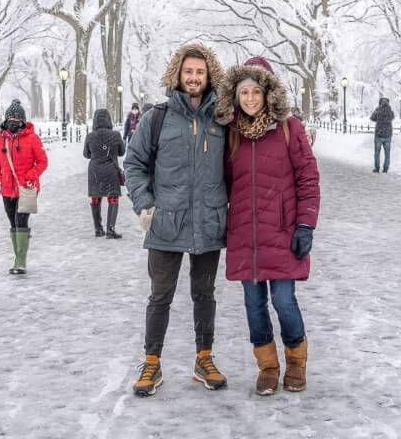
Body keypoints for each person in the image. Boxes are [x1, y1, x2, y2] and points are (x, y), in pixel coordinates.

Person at [123, 42, 229, 397]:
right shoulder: (158, 116)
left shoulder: (223, 119)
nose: (195, 77)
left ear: (208, 74)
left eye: (200, 72)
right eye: (189, 72)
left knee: (205, 294)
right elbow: (134, 163)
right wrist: (144, 203)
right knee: (160, 296)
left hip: (209, 223)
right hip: (166, 222)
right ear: (178, 74)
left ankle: (204, 357)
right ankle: (151, 362)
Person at [215, 57, 320, 396]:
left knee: (284, 300)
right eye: (243, 92)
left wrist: (305, 224)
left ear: (268, 93)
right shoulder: (230, 135)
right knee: (253, 303)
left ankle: (296, 362)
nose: (249, 98)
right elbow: (222, 183)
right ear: (235, 95)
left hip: (283, 231)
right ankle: (267, 367)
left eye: (255, 91)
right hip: (245, 233)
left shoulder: (290, 128)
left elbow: (308, 178)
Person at [0, 100, 49, 275]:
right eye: (10, 120)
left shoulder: (32, 139)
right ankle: (18, 256)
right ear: (6, 121)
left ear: (22, 121)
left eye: (17, 120)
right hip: (6, 189)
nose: (13, 123)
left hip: (28, 188)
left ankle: (20, 261)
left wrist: (31, 176)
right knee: (12, 222)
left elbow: (43, 162)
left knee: (20, 220)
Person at [83, 108, 126, 239]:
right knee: (113, 197)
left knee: (96, 197)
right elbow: (121, 152)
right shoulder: (115, 135)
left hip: (95, 170)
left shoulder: (90, 136)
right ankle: (110, 229)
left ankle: (98, 229)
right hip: (111, 169)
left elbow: (86, 154)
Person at [370, 97, 395, 173]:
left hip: (379, 134)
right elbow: (393, 118)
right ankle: (385, 168)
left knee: (377, 153)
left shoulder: (378, 110)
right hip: (388, 135)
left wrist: (376, 111)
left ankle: (377, 168)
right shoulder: (390, 111)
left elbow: (372, 118)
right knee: (387, 154)